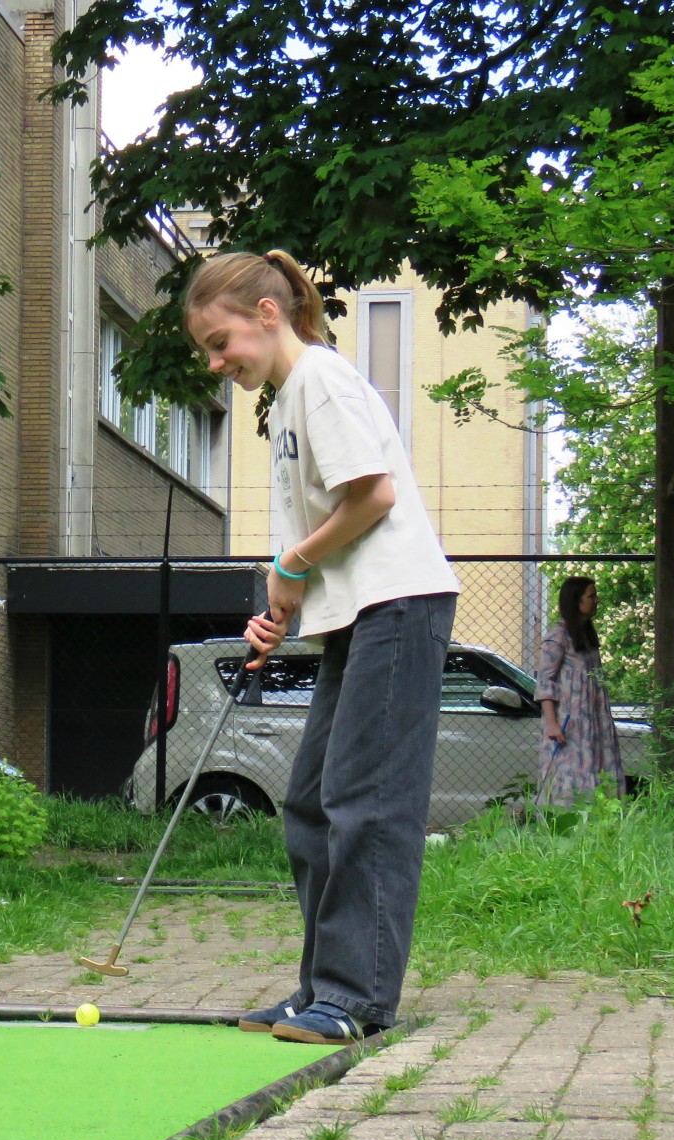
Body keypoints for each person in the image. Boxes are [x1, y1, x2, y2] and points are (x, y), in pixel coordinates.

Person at [184, 250, 460, 1044]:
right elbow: (319, 529)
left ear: (267, 315)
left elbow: (374, 496)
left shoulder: (322, 382)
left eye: (220, 340)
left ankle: (359, 997)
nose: (216, 362)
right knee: (309, 802)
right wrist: (288, 595)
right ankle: (321, 989)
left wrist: (292, 563)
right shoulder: (288, 399)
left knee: (365, 803)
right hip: (356, 611)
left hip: (400, 603)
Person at [534, 575, 622, 807]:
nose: (596, 601)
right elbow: (544, 681)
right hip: (569, 723)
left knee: (596, 765)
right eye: (590, 596)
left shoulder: (586, 636)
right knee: (570, 769)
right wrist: (552, 723)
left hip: (593, 719)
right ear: (576, 600)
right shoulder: (558, 636)